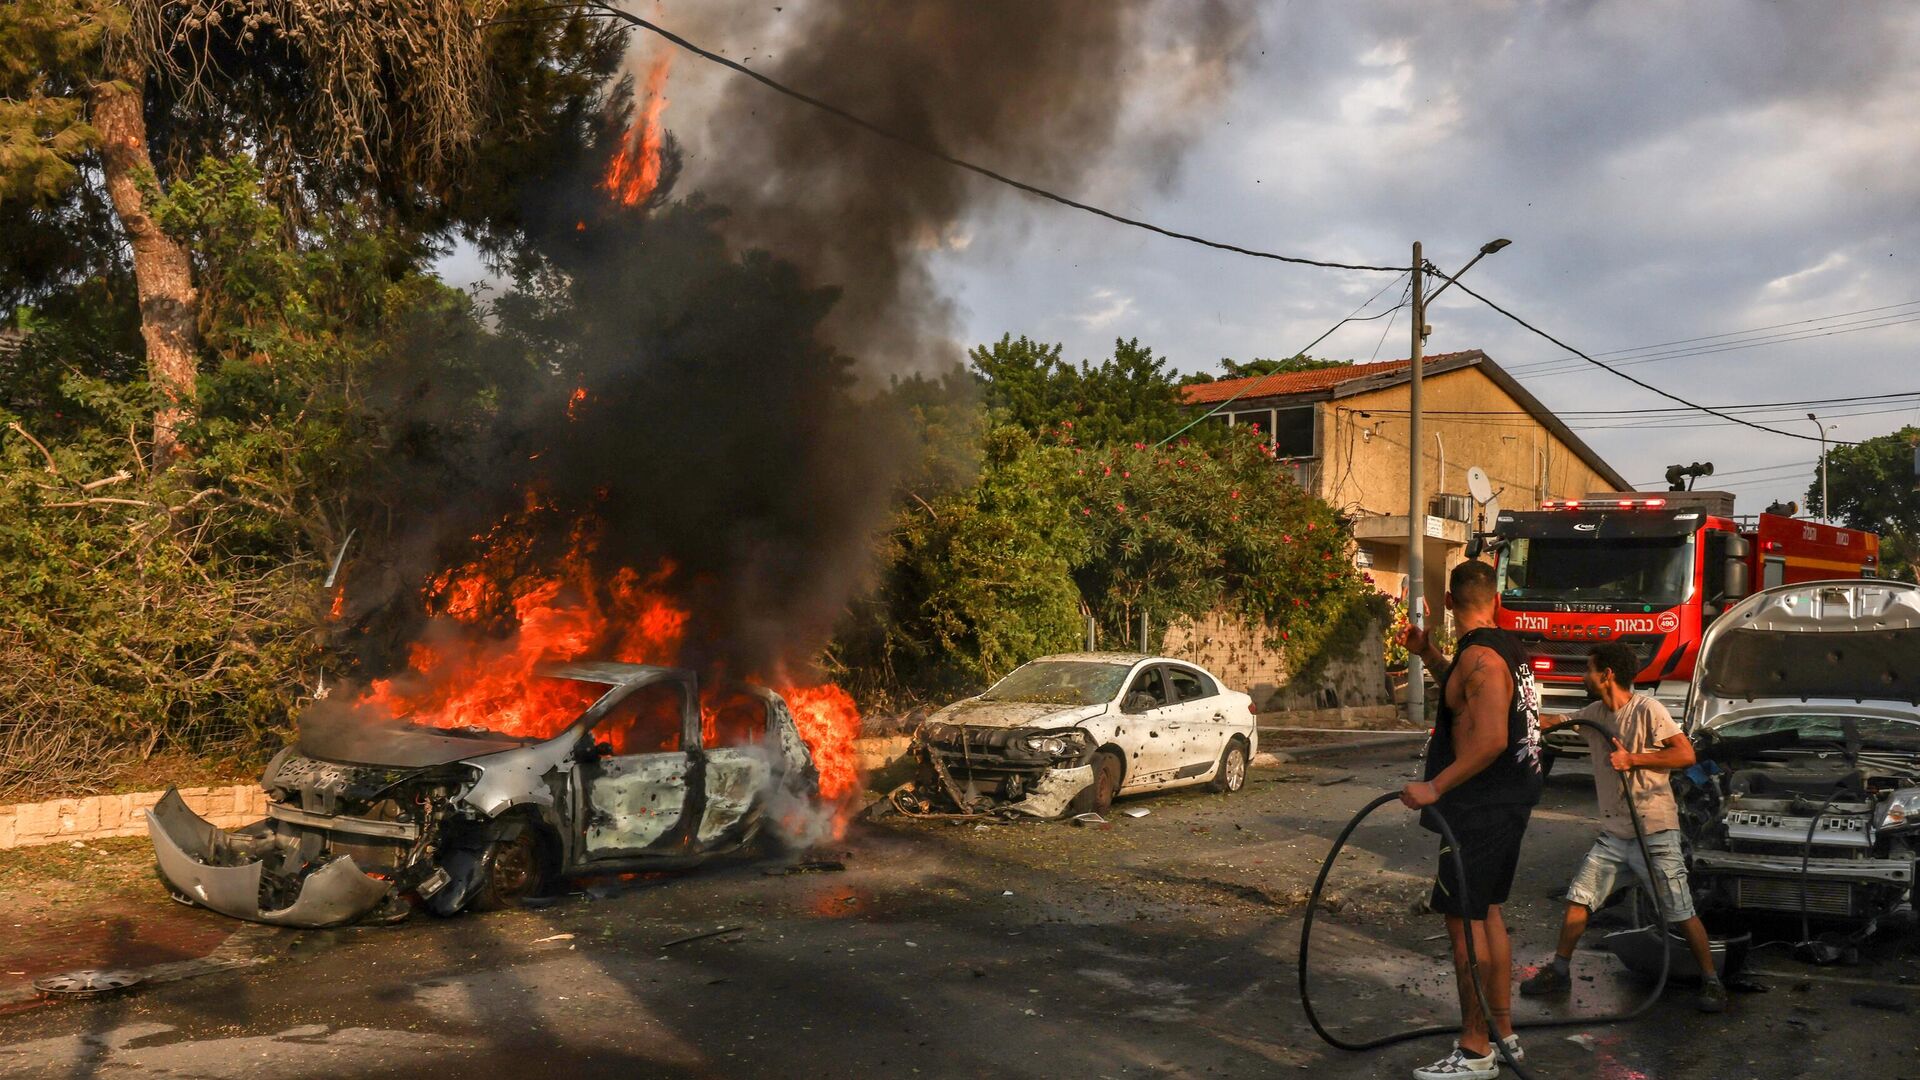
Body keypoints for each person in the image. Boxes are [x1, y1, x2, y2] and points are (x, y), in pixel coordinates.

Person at [1519, 643, 1728, 1013]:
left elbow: (1685, 754)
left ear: (1607, 674)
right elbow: (1558, 721)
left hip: (1654, 833)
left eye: (1588, 669)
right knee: (1578, 900)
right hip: (1615, 836)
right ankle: (1560, 970)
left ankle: (1711, 981)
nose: (1584, 676)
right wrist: (1519, 714)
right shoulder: (1595, 712)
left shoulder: (1648, 709)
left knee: (1680, 911)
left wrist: (1633, 759)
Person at [1399, 559, 1544, 1080]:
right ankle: (1503, 1034)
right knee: (1488, 913)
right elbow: (1465, 699)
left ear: (1446, 603)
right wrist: (1429, 654)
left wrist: (1432, 787)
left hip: (1478, 808)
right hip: (1506, 802)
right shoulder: (1501, 649)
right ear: (1496, 600)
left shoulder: (1481, 655)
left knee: (1463, 921)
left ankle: (1476, 1049)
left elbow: (1489, 739)